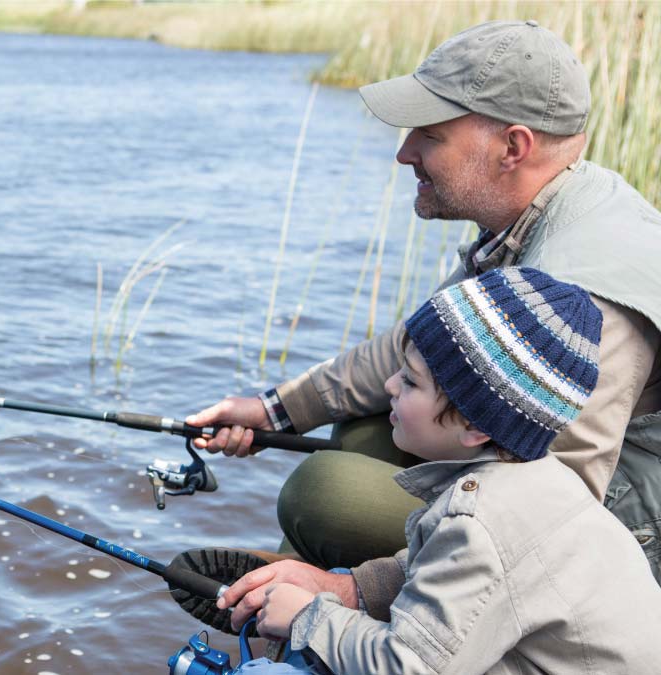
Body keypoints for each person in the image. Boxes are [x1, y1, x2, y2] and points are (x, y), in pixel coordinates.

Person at [176, 19, 661, 632]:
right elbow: (417, 345)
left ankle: (318, 594)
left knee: (325, 494)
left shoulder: (583, 290)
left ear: (513, 147)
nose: (404, 152)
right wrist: (274, 410)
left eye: (428, 136)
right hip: (543, 489)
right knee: (363, 430)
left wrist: (356, 591)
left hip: (619, 532)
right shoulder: (543, 209)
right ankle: (292, 585)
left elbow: (548, 520)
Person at [221, 268, 661, 674]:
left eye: (410, 381)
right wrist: (347, 588)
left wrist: (310, 617)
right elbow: (448, 572)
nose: (390, 386)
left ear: (473, 424)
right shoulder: (542, 480)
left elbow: (409, 667)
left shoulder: (480, 522)